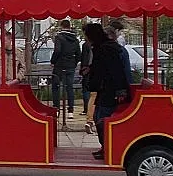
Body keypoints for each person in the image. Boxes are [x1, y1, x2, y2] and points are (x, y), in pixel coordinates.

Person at [85, 23, 131, 159]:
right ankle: (105, 146)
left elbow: (115, 71)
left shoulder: (108, 50)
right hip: (105, 89)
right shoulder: (105, 48)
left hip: (109, 90)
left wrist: (120, 91)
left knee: (102, 118)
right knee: (98, 116)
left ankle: (108, 147)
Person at [51, 19, 80, 116]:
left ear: (61, 26)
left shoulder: (59, 37)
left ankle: (57, 109)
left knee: (56, 87)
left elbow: (57, 50)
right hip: (70, 65)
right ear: (70, 26)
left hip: (59, 65)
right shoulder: (75, 39)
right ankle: (70, 111)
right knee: (69, 87)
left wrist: (53, 61)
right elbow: (78, 54)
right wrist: (74, 63)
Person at [79, 33, 96, 133]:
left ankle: (89, 119)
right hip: (95, 74)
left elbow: (84, 59)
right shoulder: (97, 46)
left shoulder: (86, 45)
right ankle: (91, 120)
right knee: (95, 96)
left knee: (91, 95)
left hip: (88, 73)